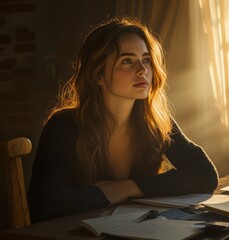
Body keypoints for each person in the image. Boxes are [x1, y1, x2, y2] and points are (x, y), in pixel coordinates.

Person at [28, 17, 219, 223]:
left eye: (146, 59)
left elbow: (204, 174)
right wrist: (103, 194)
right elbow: (44, 205)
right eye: (127, 61)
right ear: (98, 75)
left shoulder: (156, 121)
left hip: (135, 231)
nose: (142, 70)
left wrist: (126, 187)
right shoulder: (64, 126)